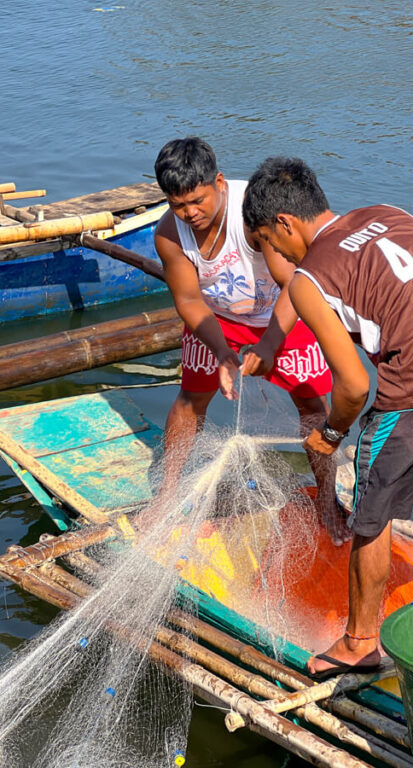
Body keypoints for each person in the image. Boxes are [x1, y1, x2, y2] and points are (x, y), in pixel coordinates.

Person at [241, 156, 413, 679]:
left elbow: (354, 386)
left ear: (284, 224)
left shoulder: (308, 280)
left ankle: (360, 643)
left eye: (269, 244)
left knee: (371, 513)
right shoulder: (390, 213)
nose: (278, 257)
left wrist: (331, 433)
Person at [149, 137, 344, 537]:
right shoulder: (169, 234)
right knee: (190, 400)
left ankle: (328, 498)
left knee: (312, 404)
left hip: (282, 311)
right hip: (218, 318)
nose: (189, 213)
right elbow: (189, 300)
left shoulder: (252, 214)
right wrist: (223, 353)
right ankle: (166, 496)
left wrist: (269, 345)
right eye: (178, 204)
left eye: (197, 201)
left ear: (219, 182)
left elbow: (294, 284)